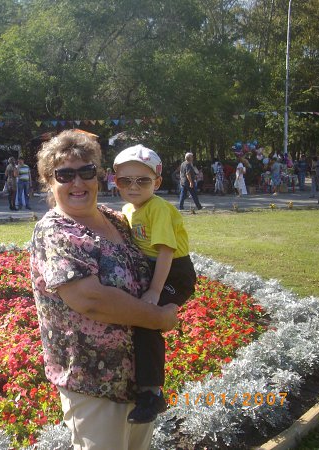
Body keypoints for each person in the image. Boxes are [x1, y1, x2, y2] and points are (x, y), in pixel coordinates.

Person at [30, 130, 179, 450]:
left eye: (86, 172)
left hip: (139, 382)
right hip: (93, 383)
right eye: (65, 175)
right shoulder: (55, 230)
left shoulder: (118, 220)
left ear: (98, 176)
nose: (78, 182)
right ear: (49, 181)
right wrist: (158, 318)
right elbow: (91, 299)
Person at [113, 145, 196, 424]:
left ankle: (152, 394)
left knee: (147, 320)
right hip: (153, 270)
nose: (133, 187)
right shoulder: (128, 208)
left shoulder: (158, 208)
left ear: (157, 183)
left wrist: (155, 291)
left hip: (174, 273)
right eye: (125, 180)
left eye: (143, 180)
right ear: (115, 182)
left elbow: (166, 252)